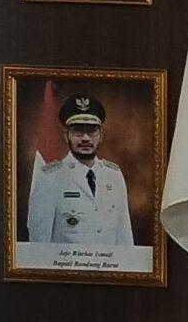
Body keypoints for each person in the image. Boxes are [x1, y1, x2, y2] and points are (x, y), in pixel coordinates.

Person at [24, 93, 134, 247]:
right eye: (78, 131)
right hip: (66, 263)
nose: (85, 138)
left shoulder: (114, 176)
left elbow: (124, 238)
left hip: (109, 263)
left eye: (92, 131)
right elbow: (39, 245)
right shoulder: (49, 178)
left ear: (100, 135)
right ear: (66, 135)